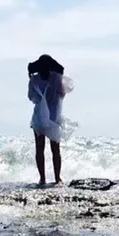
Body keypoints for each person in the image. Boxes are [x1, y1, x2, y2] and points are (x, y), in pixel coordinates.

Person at [27, 54, 73, 185]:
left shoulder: (34, 80)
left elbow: (32, 98)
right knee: (55, 150)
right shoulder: (57, 79)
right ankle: (57, 178)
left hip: (39, 119)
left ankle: (42, 179)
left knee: (39, 149)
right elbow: (65, 91)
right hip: (54, 118)